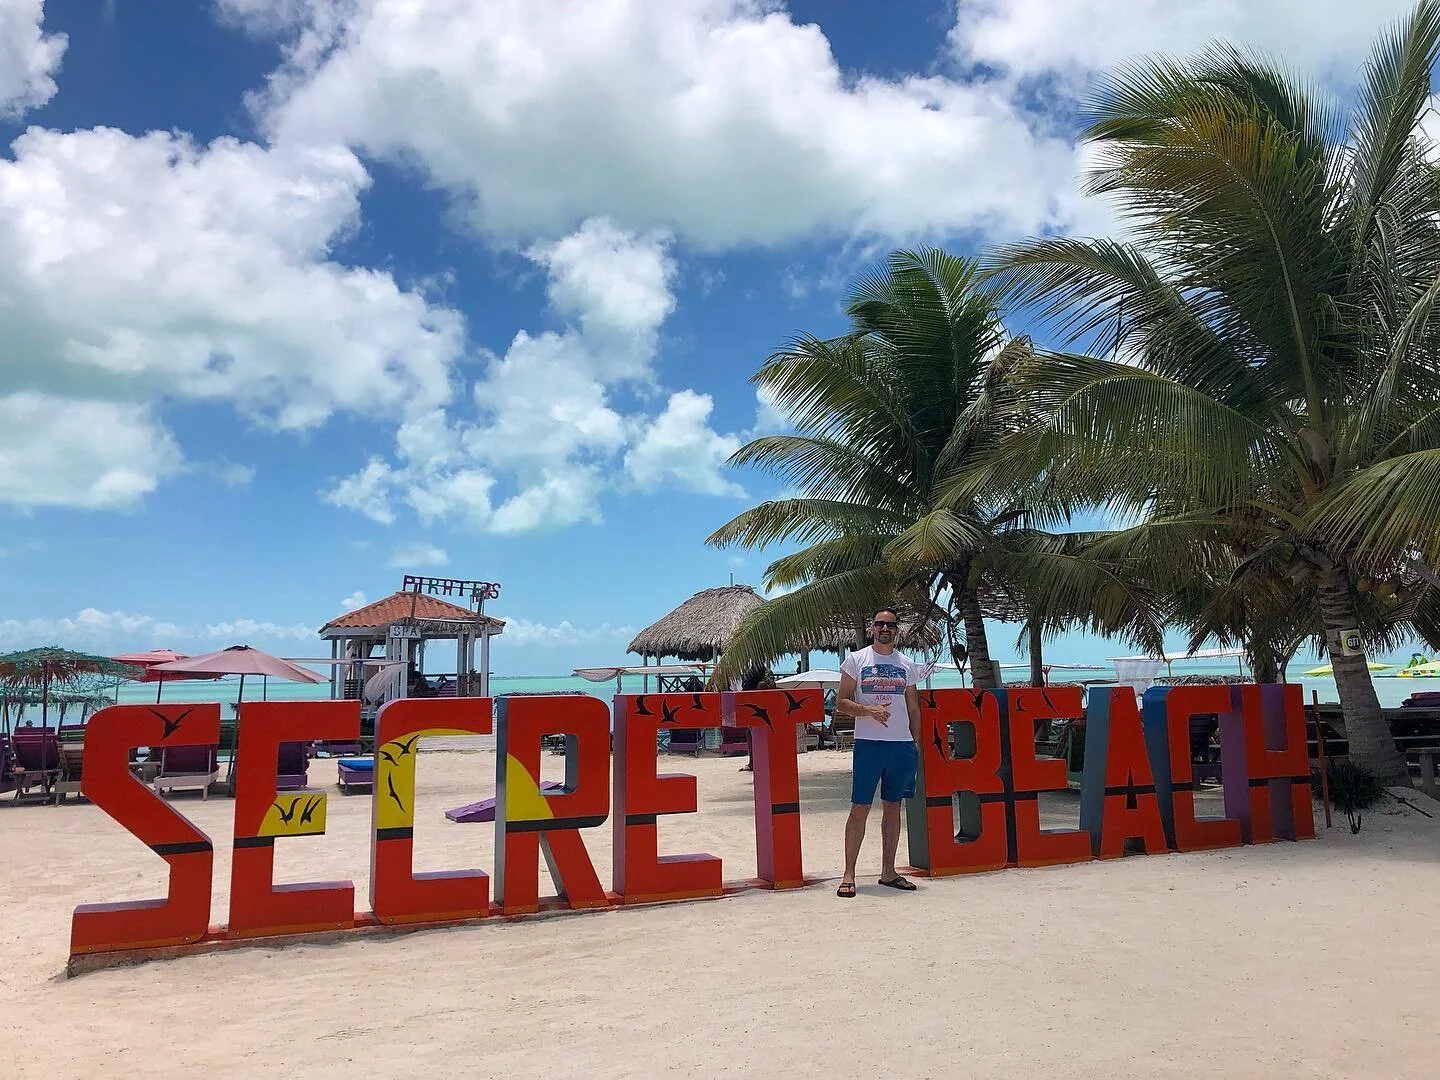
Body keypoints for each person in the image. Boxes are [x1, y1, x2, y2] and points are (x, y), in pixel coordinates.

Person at [834, 607, 923, 897]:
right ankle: (849, 874)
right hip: (869, 745)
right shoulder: (856, 661)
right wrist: (869, 710)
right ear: (872, 628)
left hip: (901, 746)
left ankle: (889, 872)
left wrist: (915, 742)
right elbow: (842, 703)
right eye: (880, 624)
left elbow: (912, 706)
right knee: (859, 808)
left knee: (893, 808)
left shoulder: (907, 664)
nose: (885, 628)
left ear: (897, 631)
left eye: (891, 625)